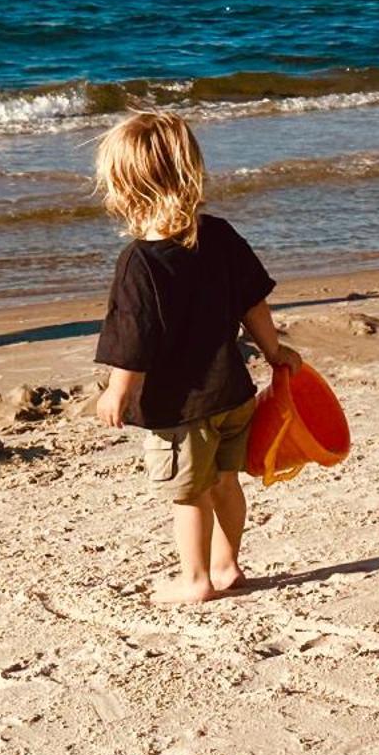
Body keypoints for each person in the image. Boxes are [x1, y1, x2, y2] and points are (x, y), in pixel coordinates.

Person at [91, 111, 301, 603]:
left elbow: (133, 336)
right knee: (225, 482)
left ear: (124, 189)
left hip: (180, 409)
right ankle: (228, 566)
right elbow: (254, 302)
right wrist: (274, 351)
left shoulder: (139, 262)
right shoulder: (221, 235)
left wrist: (120, 392)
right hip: (232, 393)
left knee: (188, 494)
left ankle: (196, 580)